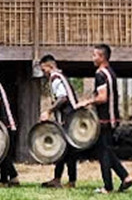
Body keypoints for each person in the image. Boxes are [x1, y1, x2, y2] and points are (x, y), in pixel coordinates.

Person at [88, 43, 132, 194]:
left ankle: (108, 186)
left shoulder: (100, 74)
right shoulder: (110, 73)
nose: (92, 58)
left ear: (101, 57)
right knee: (105, 150)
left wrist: (87, 102)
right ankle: (125, 176)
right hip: (112, 117)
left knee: (104, 152)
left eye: (94, 55)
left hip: (104, 118)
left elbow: (102, 98)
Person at [38, 54, 82, 190]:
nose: (43, 72)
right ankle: (57, 179)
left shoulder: (56, 78)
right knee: (63, 149)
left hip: (68, 117)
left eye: (44, 69)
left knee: (68, 150)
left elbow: (63, 98)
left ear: (50, 66)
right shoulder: (59, 77)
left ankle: (71, 181)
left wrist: (49, 111)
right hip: (67, 117)